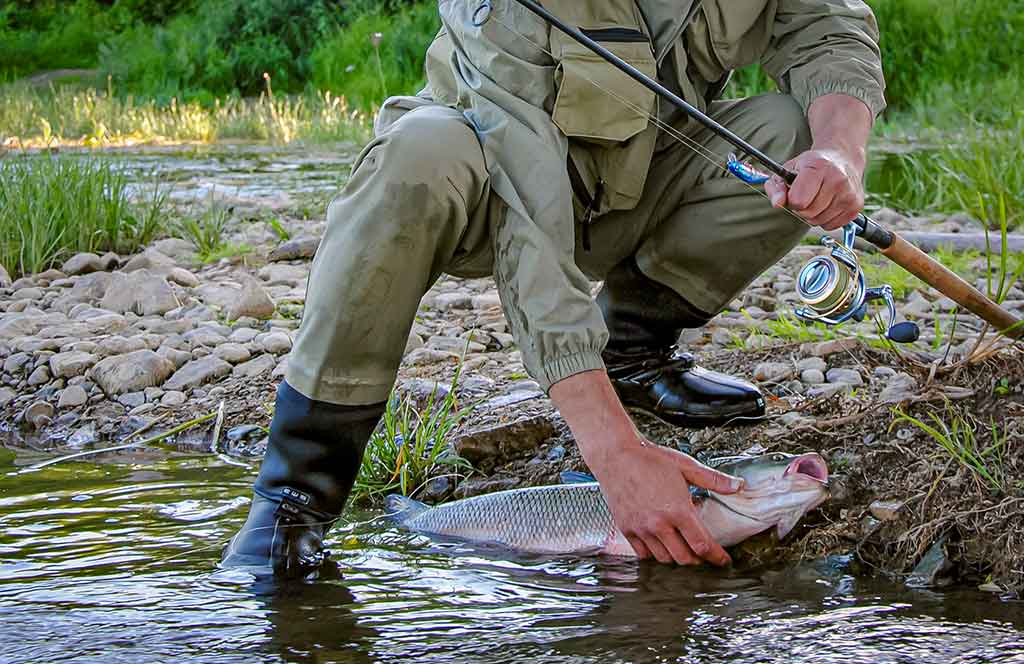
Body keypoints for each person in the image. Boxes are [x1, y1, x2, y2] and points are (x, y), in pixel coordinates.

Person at [221, 0, 884, 577]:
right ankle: (295, 496)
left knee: (788, 131)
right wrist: (614, 450)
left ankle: (634, 350)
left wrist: (838, 152)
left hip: (644, 177)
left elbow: (828, 28)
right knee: (415, 157)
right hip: (483, 184)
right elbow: (527, 202)